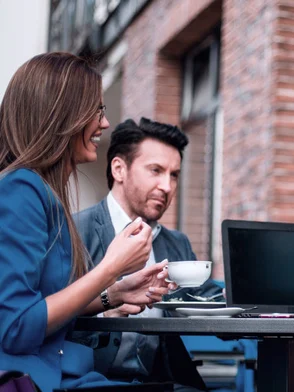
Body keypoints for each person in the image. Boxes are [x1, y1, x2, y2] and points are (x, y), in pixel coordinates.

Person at [0, 52, 172, 392]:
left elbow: (47, 306)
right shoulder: (21, 191)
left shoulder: (46, 194)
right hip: (38, 380)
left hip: (65, 373)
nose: (104, 123)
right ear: (60, 115)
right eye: (96, 110)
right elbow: (16, 327)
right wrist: (110, 267)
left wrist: (114, 294)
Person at [72, 118, 222, 391]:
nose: (167, 186)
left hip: (161, 381)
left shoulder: (175, 243)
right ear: (119, 169)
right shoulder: (74, 232)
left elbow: (209, 298)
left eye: (174, 175)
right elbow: (49, 320)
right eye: (156, 170)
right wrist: (105, 314)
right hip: (89, 378)